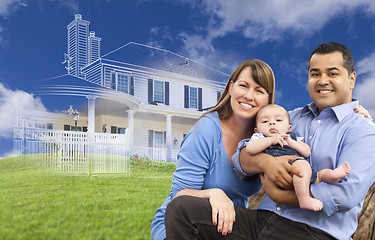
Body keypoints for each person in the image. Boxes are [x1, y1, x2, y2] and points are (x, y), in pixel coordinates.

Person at [165, 42, 375, 240]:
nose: (322, 80)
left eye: (332, 73)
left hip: (313, 233)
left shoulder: (363, 131)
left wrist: (280, 195)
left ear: (352, 79)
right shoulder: (289, 117)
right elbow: (240, 157)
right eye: (315, 74)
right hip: (261, 221)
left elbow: (345, 196)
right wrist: (266, 163)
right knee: (183, 210)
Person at [151, 58, 286, 239]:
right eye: (243, 85)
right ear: (231, 88)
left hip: (228, 223)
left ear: (268, 99)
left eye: (259, 90)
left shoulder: (265, 137)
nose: (249, 96)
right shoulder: (206, 129)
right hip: (183, 223)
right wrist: (213, 194)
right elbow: (179, 196)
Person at [246, 103, 351, 211]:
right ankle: (304, 198)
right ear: (257, 129)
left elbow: (307, 152)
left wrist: (292, 143)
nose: (272, 123)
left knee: (321, 174)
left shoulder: (291, 138)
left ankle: (333, 175)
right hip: (285, 171)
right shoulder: (260, 137)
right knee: (302, 165)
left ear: (289, 128)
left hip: (301, 174)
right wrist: (270, 140)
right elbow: (250, 148)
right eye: (265, 121)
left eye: (278, 120)